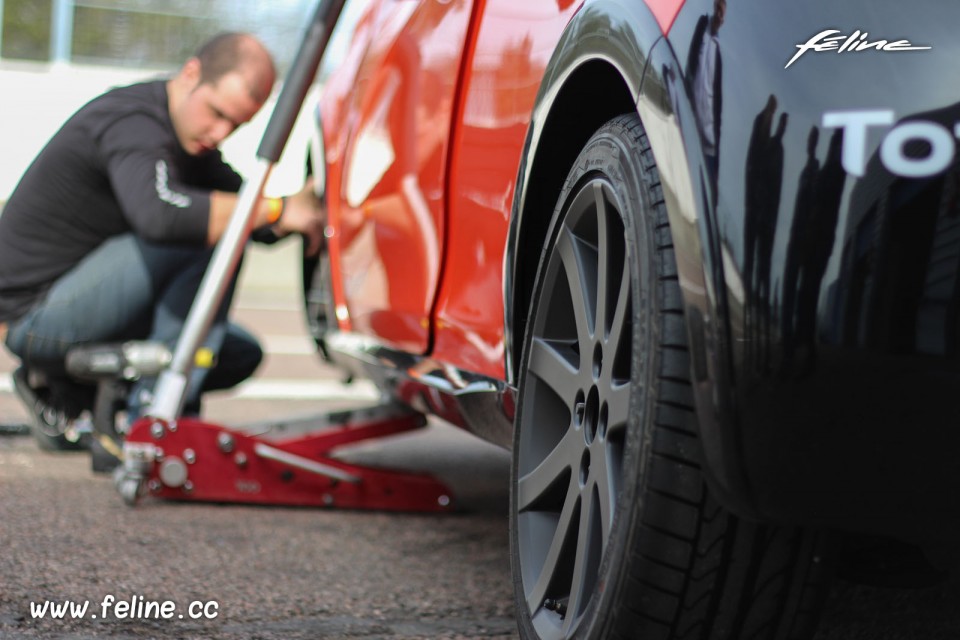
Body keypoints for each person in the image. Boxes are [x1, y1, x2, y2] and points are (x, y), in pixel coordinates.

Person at [0, 32, 325, 440]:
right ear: (192, 74)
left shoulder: (193, 143)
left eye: (236, 124)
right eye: (216, 112)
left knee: (237, 353)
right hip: (32, 317)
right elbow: (161, 217)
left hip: (79, 308)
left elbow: (250, 216)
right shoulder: (133, 122)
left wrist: (301, 213)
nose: (221, 132)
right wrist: (276, 208)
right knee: (205, 237)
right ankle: (157, 427)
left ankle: (66, 391)